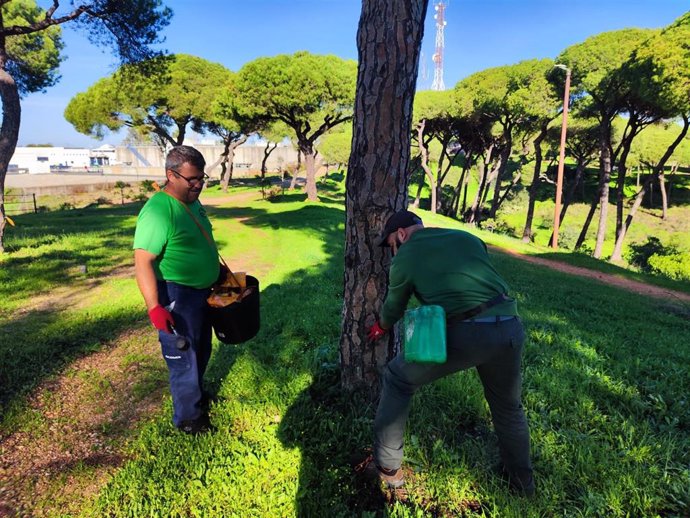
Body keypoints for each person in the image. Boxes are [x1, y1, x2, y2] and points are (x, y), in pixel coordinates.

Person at [362, 209, 534, 496]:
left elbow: (395, 304)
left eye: (392, 243)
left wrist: (382, 326)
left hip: (467, 334)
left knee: (397, 377)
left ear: (402, 234)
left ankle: (388, 468)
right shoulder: (467, 237)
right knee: (508, 408)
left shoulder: (406, 254)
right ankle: (522, 484)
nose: (393, 250)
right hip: (510, 327)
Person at [133, 145, 221, 435]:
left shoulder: (191, 202)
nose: (198, 184)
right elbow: (143, 261)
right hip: (177, 295)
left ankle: (194, 396)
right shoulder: (158, 210)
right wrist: (154, 307)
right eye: (192, 179)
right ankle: (188, 419)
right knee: (184, 357)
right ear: (171, 175)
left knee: (202, 349)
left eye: (202, 178)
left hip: (202, 293)